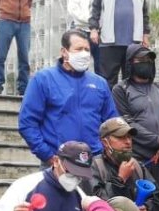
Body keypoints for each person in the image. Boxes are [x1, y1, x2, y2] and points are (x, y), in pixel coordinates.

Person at [19, 30, 119, 164]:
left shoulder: (99, 83)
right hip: (59, 160)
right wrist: (48, 156)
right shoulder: (43, 79)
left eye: (87, 50)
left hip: (95, 160)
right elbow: (27, 123)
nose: (84, 54)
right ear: (64, 52)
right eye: (78, 49)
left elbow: (112, 123)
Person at [112, 43, 159, 211]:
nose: (145, 63)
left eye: (148, 59)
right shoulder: (121, 89)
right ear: (130, 63)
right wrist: (156, 141)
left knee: (158, 205)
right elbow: (127, 122)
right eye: (140, 60)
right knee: (136, 207)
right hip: (138, 158)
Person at [90, 0, 151, 86]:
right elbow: (95, 9)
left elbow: (145, 13)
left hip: (133, 43)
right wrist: (94, 29)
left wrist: (146, 35)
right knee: (107, 80)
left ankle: (126, 107)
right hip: (109, 42)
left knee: (131, 80)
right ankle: (107, 107)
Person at [69, 0, 102, 75]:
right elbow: (74, 11)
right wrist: (92, 21)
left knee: (100, 65)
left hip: (99, 33)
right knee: (80, 63)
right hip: (80, 31)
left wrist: (95, 25)